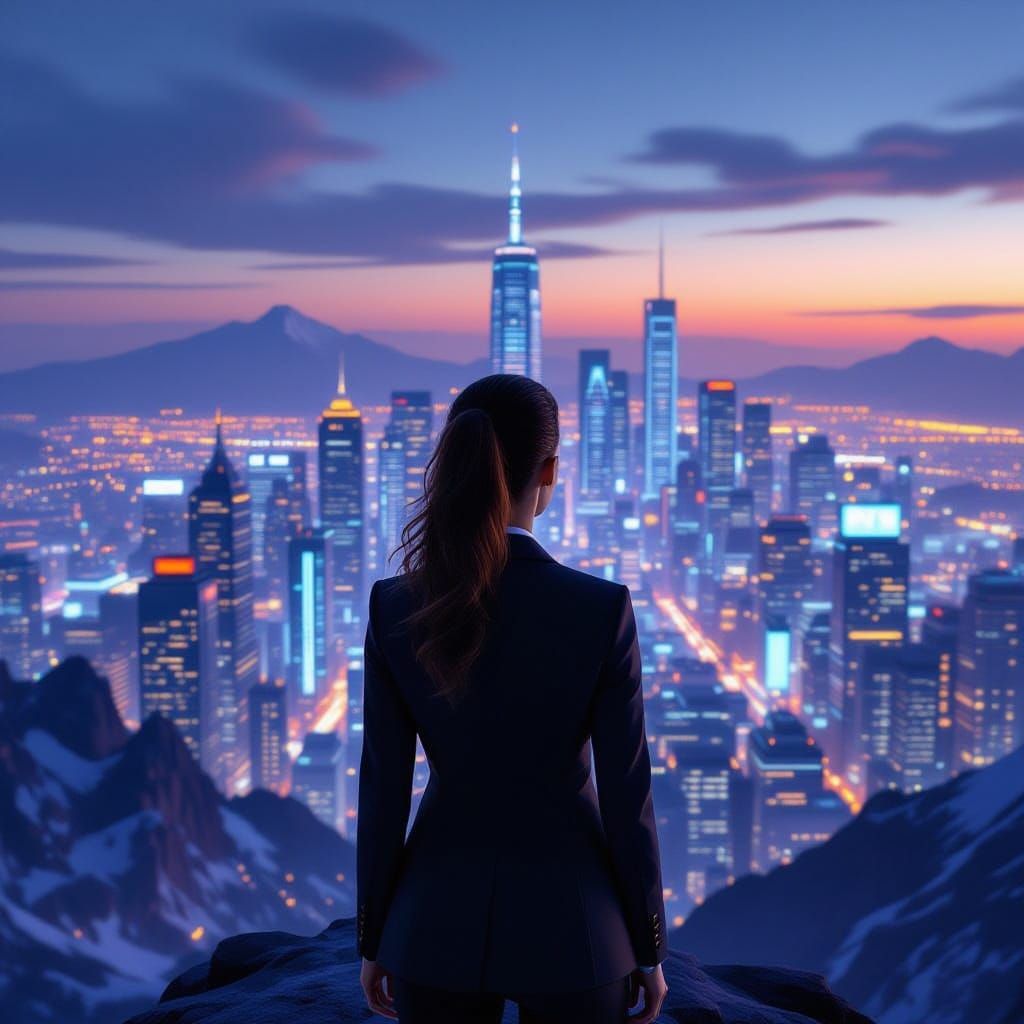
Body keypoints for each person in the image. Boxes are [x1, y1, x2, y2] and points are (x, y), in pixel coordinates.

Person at [357, 374, 669, 1023]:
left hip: (432, 925)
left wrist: (375, 938)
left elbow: (383, 790)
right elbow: (626, 797)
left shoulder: (395, 605)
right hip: (578, 932)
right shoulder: (599, 610)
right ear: (550, 470)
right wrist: (648, 948)